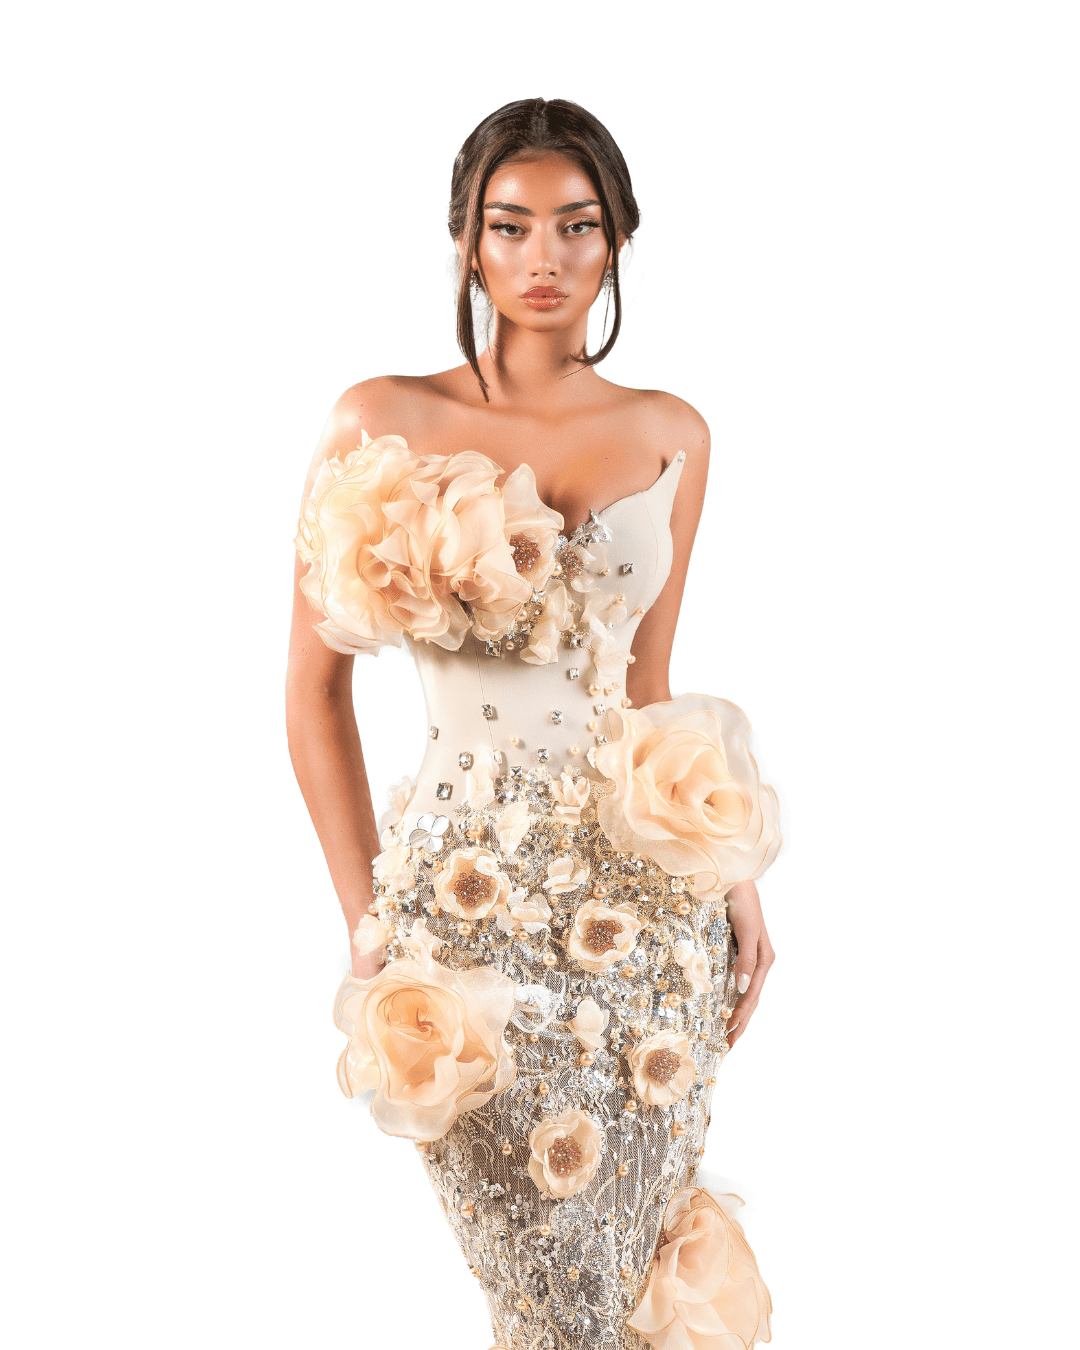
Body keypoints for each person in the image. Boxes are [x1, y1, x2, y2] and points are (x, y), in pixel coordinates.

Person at [287, 97, 780, 1350]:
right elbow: (311, 695)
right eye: (510, 226)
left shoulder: (673, 433)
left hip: (650, 932)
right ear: (467, 241)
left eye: (577, 225)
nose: (543, 257)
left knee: (622, 1280)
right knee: (546, 1290)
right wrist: (369, 926)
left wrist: (733, 875)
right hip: (462, 921)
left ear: (618, 239)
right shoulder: (377, 420)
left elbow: (647, 684)